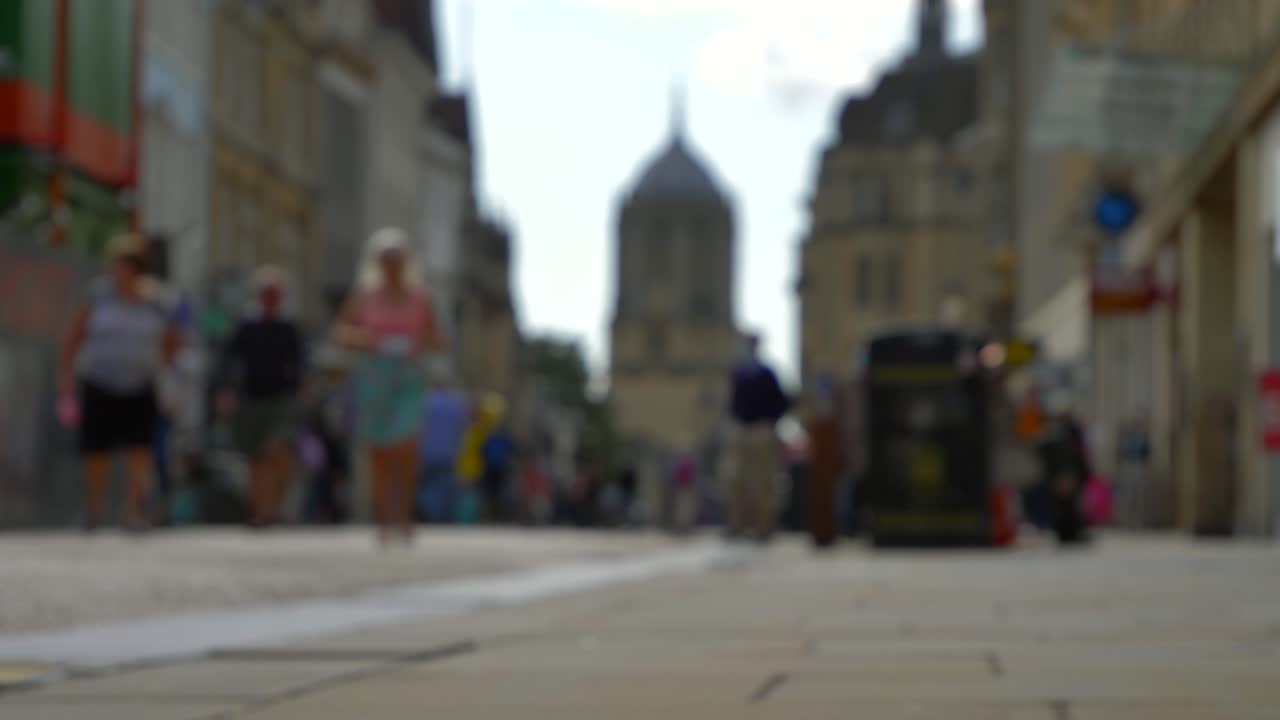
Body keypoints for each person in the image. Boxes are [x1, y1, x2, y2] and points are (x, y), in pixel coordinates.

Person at [59, 232, 182, 532]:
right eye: (116, 265)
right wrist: (66, 381)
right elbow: (75, 337)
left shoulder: (157, 301)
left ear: (138, 269)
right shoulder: (98, 296)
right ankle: (94, 510)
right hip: (100, 381)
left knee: (139, 450)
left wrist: (164, 370)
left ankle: (134, 512)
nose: (119, 272)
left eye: (126, 266)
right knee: (96, 450)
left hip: (141, 384)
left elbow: (173, 340)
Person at [334, 228, 445, 545]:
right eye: (386, 261)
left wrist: (415, 343)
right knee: (379, 450)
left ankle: (404, 514)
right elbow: (342, 331)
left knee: (406, 447)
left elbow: (436, 338)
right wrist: (367, 340)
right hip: (374, 375)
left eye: (397, 260)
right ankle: (383, 517)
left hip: (408, 376)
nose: (392, 267)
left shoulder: (421, 297)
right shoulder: (364, 295)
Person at [216, 266, 306, 528]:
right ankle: (260, 510)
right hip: (250, 398)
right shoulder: (246, 325)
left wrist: (302, 389)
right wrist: (224, 392)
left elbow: (301, 361)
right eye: (267, 292)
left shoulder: (288, 327)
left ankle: (274, 506)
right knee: (255, 457)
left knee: (275, 450)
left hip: (280, 399)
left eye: (275, 293)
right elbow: (227, 360)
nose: (271, 297)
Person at [726, 333, 790, 542]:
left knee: (763, 481)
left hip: (761, 429)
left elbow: (781, 402)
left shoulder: (766, 373)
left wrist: (770, 423)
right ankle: (740, 524)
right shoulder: (741, 372)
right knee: (738, 479)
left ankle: (763, 526)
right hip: (744, 430)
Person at [419, 370, 470, 523]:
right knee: (445, 486)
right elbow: (463, 429)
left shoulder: (424, 403)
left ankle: (430, 515)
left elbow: (416, 430)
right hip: (449, 453)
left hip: (427, 452)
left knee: (428, 485)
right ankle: (442, 516)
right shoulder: (456, 404)